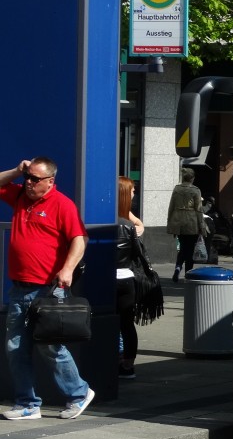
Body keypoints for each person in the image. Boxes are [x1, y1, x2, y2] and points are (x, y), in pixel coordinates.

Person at [0, 157, 94, 420]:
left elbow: (80, 239)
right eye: (27, 178)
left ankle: (79, 393)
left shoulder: (62, 204)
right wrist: (16, 170)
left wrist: (68, 269)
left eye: (35, 179)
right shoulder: (21, 197)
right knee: (15, 347)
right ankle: (27, 403)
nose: (28, 183)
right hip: (19, 288)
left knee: (50, 346)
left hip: (48, 290)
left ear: (50, 181)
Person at [115, 176, 144, 380]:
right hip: (126, 278)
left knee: (108, 322)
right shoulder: (128, 225)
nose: (134, 195)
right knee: (127, 324)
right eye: (132, 191)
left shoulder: (106, 221)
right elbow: (137, 251)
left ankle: (114, 358)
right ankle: (128, 365)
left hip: (106, 279)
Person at [166, 166, 205, 282]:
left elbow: (171, 207)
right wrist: (202, 226)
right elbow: (199, 210)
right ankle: (188, 273)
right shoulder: (196, 190)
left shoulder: (176, 189)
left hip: (178, 222)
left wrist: (170, 223)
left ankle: (177, 268)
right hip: (191, 222)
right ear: (192, 178)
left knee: (183, 247)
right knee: (190, 250)